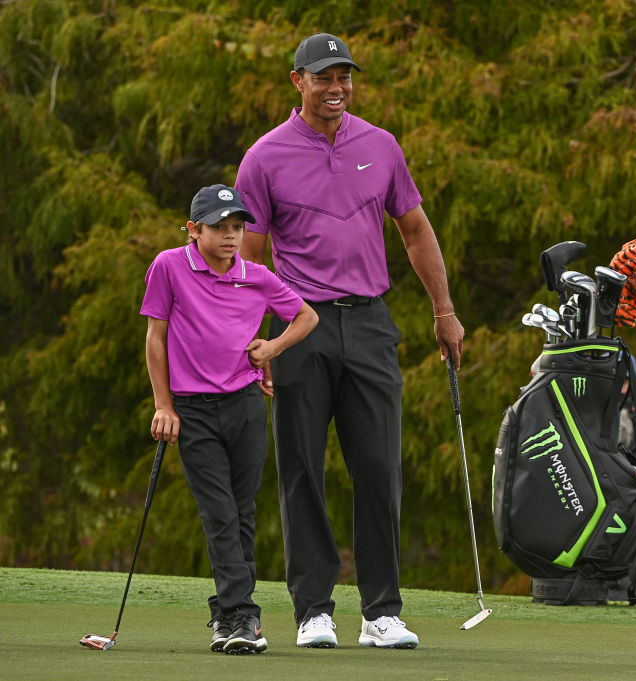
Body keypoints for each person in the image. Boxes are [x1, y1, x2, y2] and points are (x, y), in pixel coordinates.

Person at [235, 33, 465, 650]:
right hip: (301, 327)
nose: (336, 88)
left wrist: (443, 310)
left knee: (379, 470)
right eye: (323, 77)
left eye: (345, 77)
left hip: (369, 323)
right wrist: (262, 341)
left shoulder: (380, 145)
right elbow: (251, 256)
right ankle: (314, 610)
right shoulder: (265, 157)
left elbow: (414, 229)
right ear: (297, 82)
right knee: (302, 470)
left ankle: (381, 612)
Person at [141, 184, 318, 654]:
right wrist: (163, 405)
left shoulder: (256, 276)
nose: (231, 236)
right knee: (219, 513)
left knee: (241, 514)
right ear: (193, 229)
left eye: (238, 227)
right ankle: (244, 617)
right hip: (193, 410)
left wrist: (271, 348)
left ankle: (226, 614)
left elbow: (305, 316)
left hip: (243, 405)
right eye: (219, 227)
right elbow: (156, 338)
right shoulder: (170, 266)